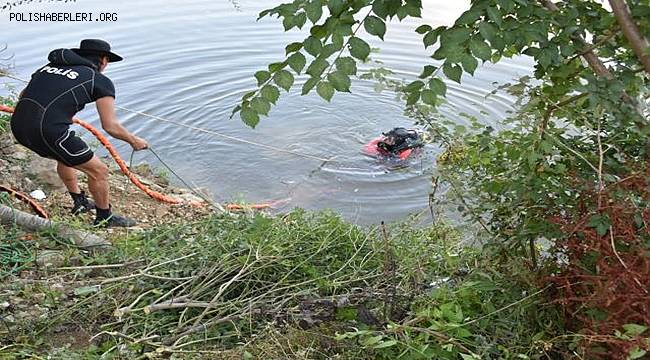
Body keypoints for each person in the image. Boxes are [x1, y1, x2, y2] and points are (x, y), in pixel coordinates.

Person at [10, 39, 148, 227]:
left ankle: (79, 202)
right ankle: (104, 217)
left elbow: (23, 96)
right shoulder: (98, 80)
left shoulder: (47, 68)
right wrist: (134, 141)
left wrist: (57, 113)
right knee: (99, 171)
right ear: (104, 60)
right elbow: (111, 126)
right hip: (49, 132)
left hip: (18, 127)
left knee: (64, 156)